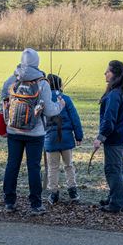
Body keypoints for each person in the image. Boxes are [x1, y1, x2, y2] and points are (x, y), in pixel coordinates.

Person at [1, 48, 65, 215]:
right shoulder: (42, 83)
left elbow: (3, 104)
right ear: (37, 62)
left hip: (13, 130)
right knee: (34, 167)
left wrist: (6, 122)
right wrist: (60, 105)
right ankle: (35, 205)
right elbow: (50, 111)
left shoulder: (11, 80)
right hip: (35, 133)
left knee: (12, 165)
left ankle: (9, 202)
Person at [94, 60, 123, 213]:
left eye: (108, 71)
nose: (105, 73)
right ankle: (114, 197)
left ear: (115, 75)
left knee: (113, 169)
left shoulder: (114, 95)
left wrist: (100, 137)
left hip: (115, 138)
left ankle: (116, 203)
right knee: (118, 168)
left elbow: (109, 120)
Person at [44, 74, 84, 205]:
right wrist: (79, 136)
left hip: (50, 138)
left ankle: (54, 193)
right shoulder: (66, 99)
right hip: (66, 138)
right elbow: (75, 118)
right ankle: (72, 190)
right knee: (69, 165)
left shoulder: (45, 99)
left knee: (53, 167)